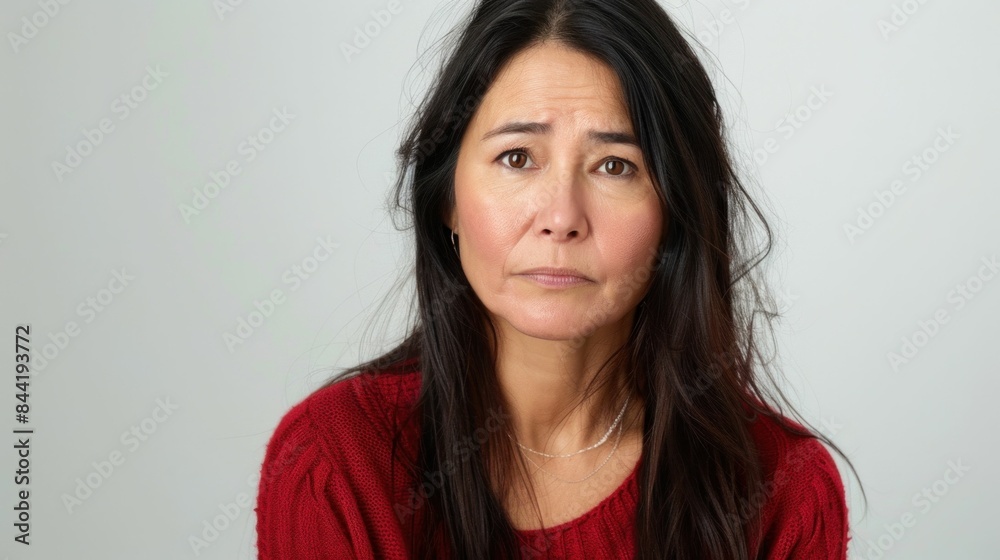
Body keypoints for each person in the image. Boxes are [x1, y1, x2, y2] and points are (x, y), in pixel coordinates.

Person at [255, 0, 863, 558]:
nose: (562, 218)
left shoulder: (784, 487)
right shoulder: (335, 462)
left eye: (615, 166)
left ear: (675, 212)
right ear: (448, 200)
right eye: (517, 157)